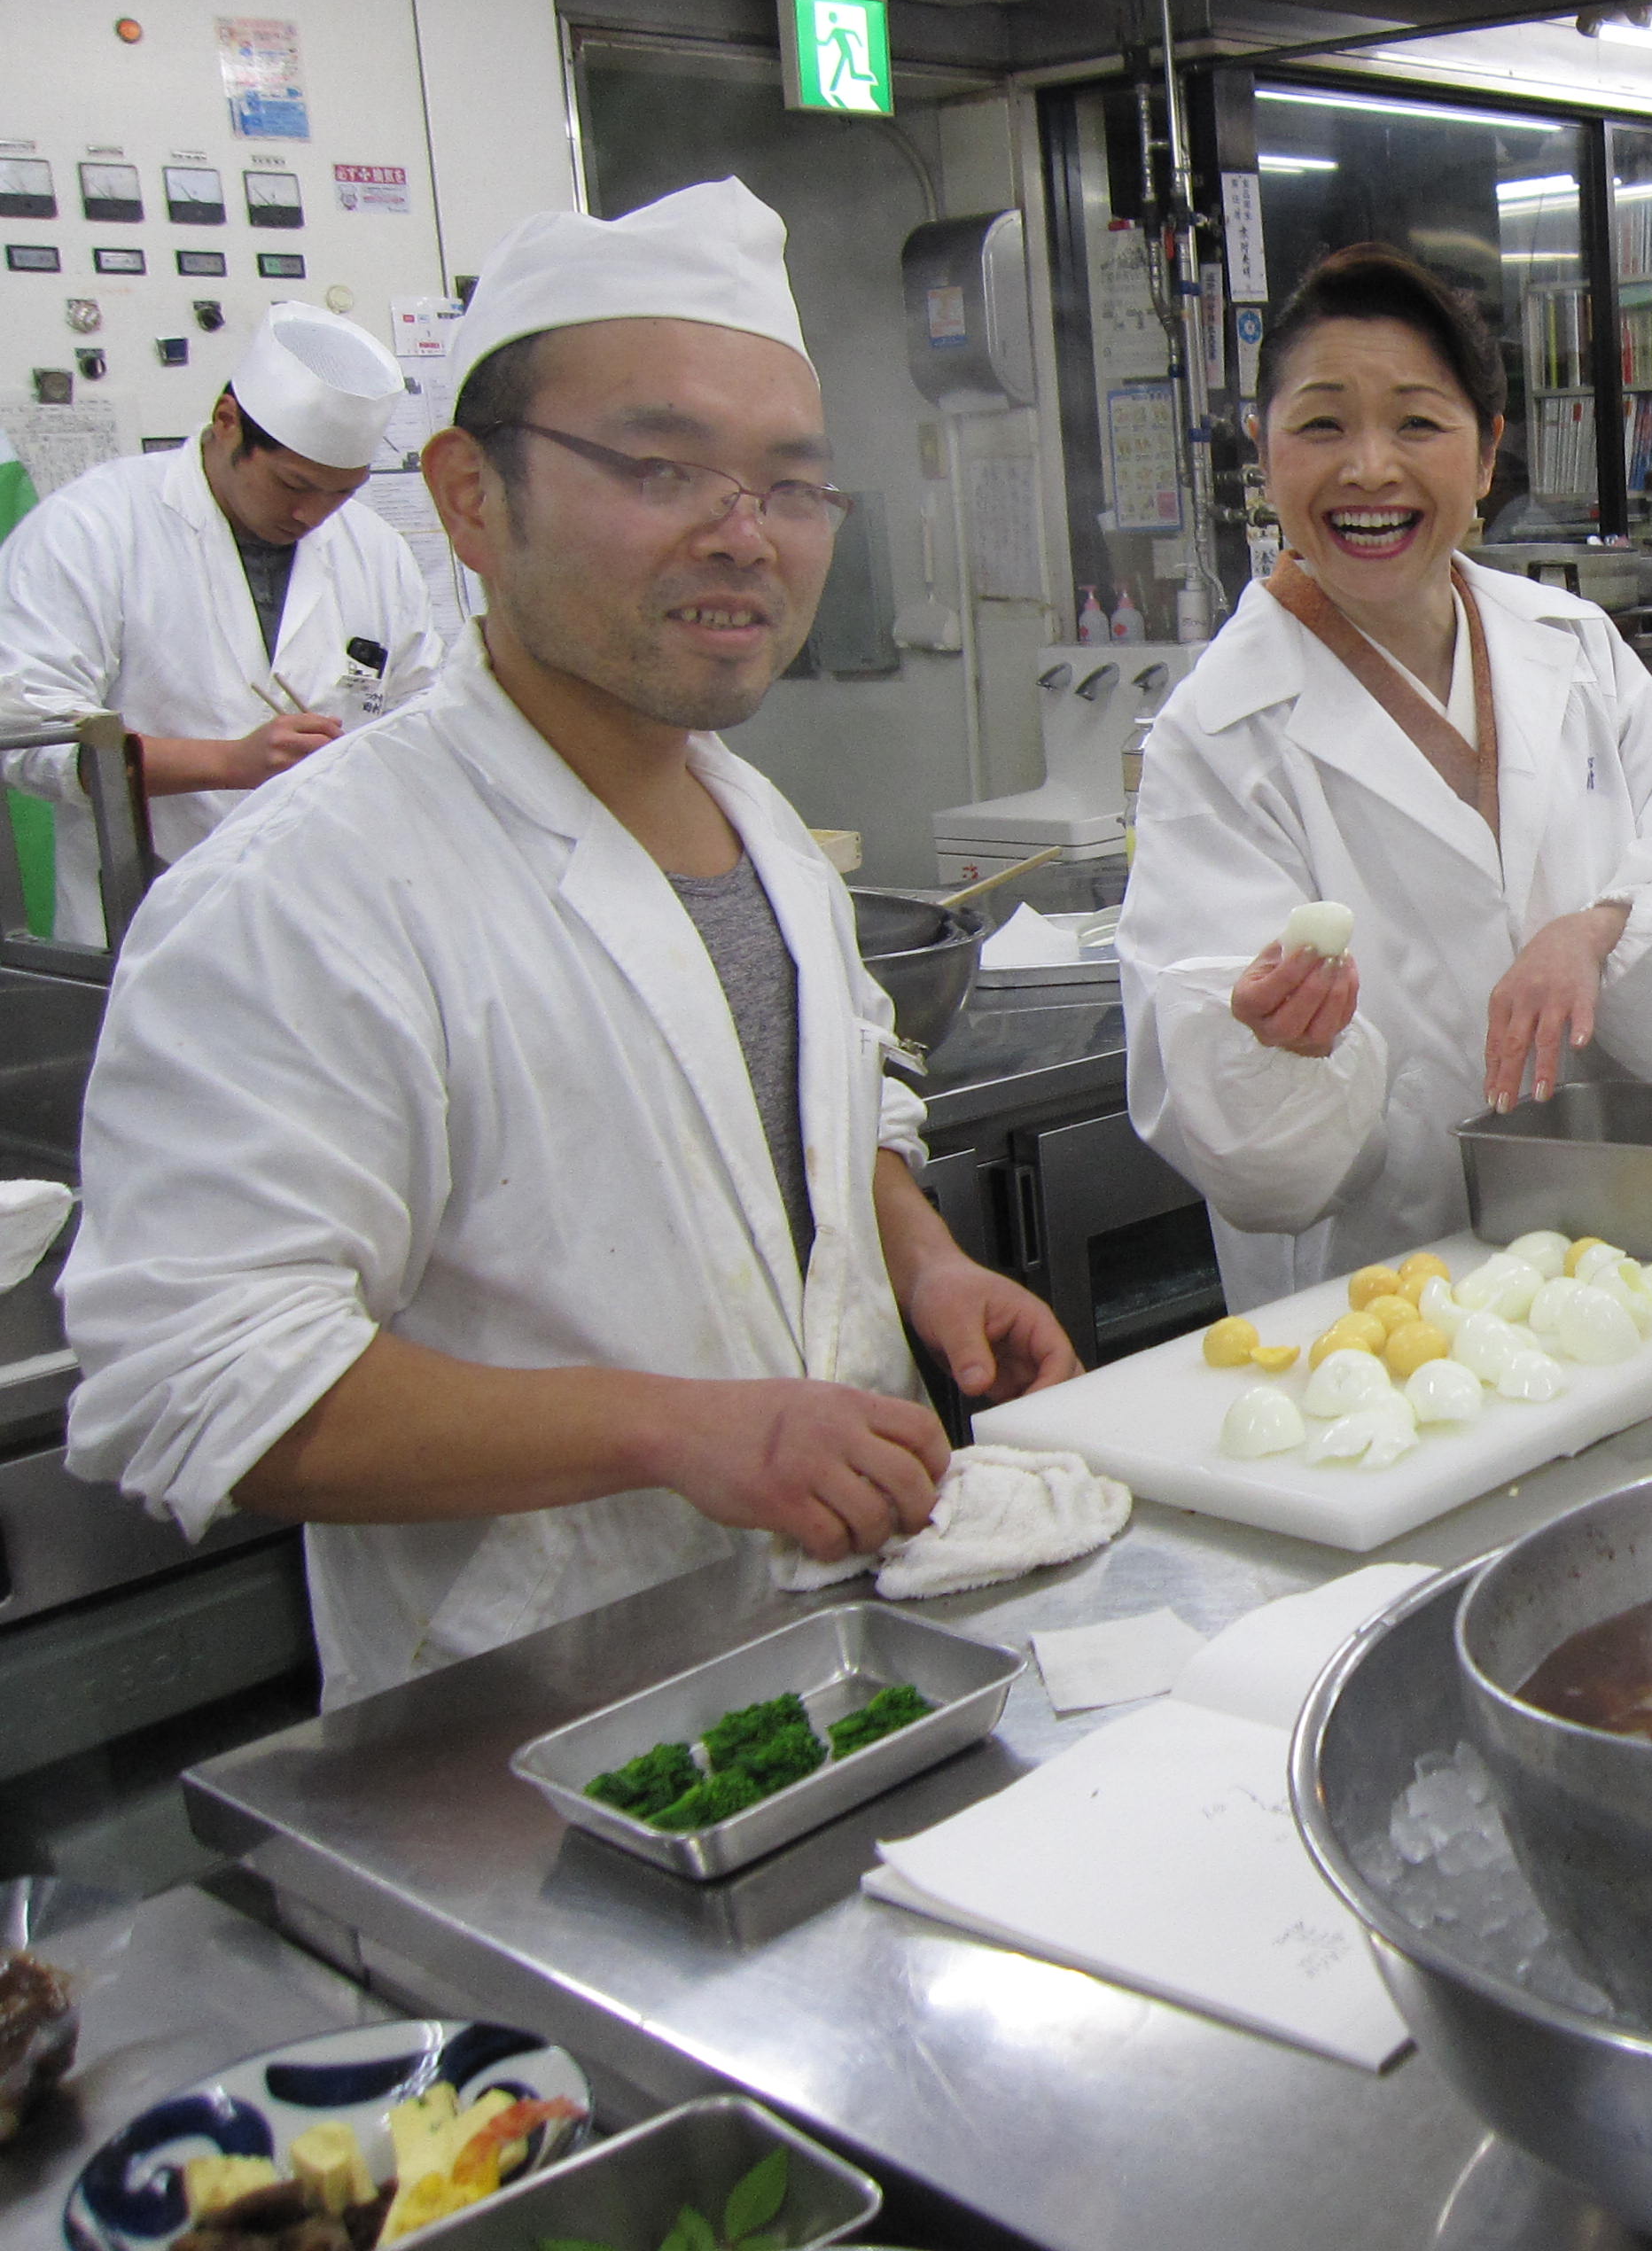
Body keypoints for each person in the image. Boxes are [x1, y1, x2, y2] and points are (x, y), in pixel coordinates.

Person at [62, 180, 1075, 1705]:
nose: (745, 538)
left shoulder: (765, 834)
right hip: (527, 1744)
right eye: (664, 466)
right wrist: (678, 1427)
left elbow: (824, 1112)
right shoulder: (304, 895)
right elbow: (193, 1382)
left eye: (790, 486)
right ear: (469, 495)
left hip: (846, 1662)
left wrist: (919, 1260)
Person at [1119, 244, 1652, 1308]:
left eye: (1418, 423)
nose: (1370, 469)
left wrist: (1604, 926)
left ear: (1486, 459)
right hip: (1381, 1325)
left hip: (1624, 1271)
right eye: (1322, 423)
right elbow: (1253, 1168)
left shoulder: (1575, 650)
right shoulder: (1219, 737)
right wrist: (1277, 1055)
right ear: (1263, 448)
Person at [0, 303, 439, 940]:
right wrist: (228, 762)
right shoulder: (93, 527)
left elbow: (421, 709)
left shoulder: (373, 549)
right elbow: (27, 735)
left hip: (336, 916)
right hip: (149, 917)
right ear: (228, 423)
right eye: (293, 485)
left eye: (341, 492)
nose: (313, 514)